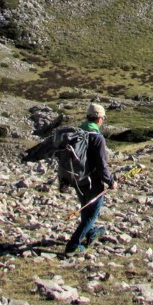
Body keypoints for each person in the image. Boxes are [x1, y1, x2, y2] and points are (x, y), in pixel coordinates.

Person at [65, 102, 115, 255]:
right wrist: (111, 182)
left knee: (86, 209)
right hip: (93, 182)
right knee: (92, 213)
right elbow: (101, 165)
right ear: (99, 118)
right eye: (103, 118)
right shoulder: (97, 138)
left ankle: (92, 233)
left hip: (78, 180)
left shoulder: (78, 134)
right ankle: (72, 246)